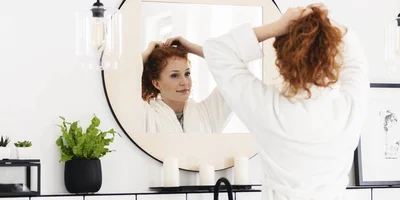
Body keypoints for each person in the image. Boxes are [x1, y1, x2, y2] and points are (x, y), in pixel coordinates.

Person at [166, 3, 369, 200]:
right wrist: (323, 22)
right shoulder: (348, 110)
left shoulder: (270, 108)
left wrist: (277, 26)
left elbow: (220, 51)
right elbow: (356, 57)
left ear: (281, 58)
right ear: (333, 56)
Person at [140, 41, 232, 133]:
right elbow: (126, 79)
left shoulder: (208, 112)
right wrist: (148, 52)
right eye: (174, 75)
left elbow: (233, 66)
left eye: (187, 74)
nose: (184, 82)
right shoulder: (146, 115)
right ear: (156, 83)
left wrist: (190, 47)